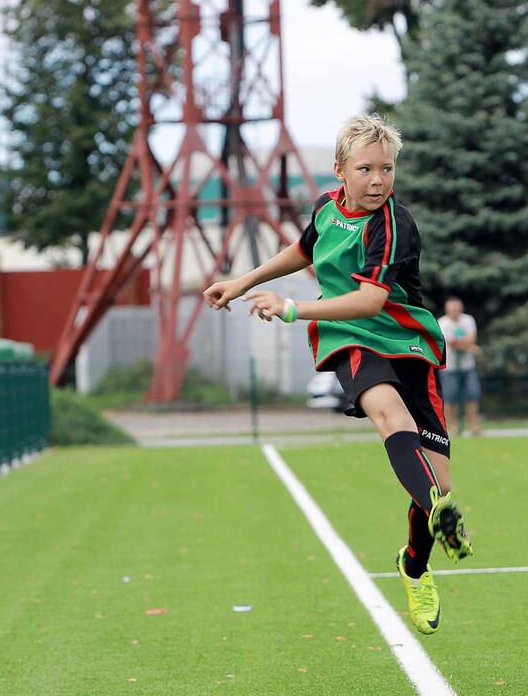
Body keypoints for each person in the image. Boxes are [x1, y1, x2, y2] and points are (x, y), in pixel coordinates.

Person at [203, 114, 472, 636]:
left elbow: (372, 298)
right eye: (366, 169)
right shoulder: (327, 206)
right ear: (340, 171)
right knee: (388, 414)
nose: (378, 180)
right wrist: (244, 280)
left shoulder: (394, 223)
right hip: (349, 336)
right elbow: (304, 250)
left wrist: (290, 309)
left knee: (436, 474)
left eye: (387, 169)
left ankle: (415, 563)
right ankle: (438, 506)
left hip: (408, 340)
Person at [437, 296, 482, 435]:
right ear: (447, 309)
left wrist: (463, 342)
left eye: (457, 309)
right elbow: (452, 343)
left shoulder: (468, 320)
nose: (455, 312)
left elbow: (472, 338)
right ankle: (454, 427)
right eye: (452, 309)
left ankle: (473, 427)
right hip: (449, 367)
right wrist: (470, 346)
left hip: (468, 366)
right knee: (450, 398)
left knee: (472, 395)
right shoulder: (442, 323)